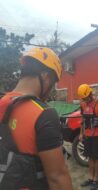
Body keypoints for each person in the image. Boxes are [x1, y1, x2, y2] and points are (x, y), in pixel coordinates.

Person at [0, 47, 73, 190]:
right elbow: (57, 177)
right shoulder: (44, 114)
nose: (50, 90)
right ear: (45, 77)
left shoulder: (3, 102)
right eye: (52, 85)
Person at [77, 84, 98, 190]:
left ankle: (95, 179)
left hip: (97, 135)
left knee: (96, 157)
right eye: (83, 98)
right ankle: (90, 178)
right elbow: (82, 120)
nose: (85, 100)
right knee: (89, 157)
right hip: (87, 135)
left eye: (86, 97)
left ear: (90, 93)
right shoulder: (83, 105)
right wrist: (81, 133)